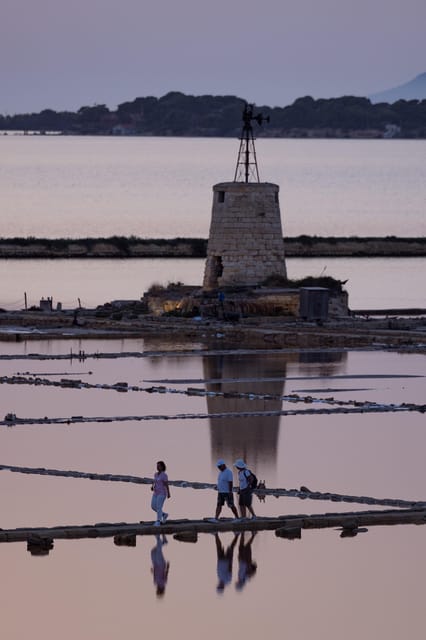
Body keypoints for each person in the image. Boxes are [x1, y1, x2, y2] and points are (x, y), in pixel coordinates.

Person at [151, 460, 170, 525]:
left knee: (159, 507)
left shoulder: (164, 475)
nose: (157, 467)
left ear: (162, 467)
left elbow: (166, 484)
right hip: (155, 493)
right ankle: (164, 514)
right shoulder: (155, 474)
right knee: (153, 506)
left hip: (162, 493)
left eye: (159, 466)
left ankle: (158, 521)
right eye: (157, 466)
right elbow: (155, 482)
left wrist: (168, 493)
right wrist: (152, 487)